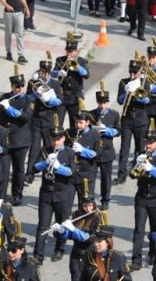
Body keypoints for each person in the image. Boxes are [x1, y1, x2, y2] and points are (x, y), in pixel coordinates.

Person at [31, 119, 77, 265]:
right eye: (53, 139)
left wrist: (58, 167)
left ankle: (59, 249)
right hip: (46, 192)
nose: (56, 142)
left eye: (58, 139)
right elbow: (34, 168)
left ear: (63, 138)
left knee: (61, 224)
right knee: (43, 225)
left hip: (63, 193)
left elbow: (72, 172)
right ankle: (38, 254)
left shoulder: (70, 153)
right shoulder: (45, 150)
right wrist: (45, 162)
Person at [129, 127, 156, 271]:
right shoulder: (141, 154)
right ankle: (136, 259)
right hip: (141, 198)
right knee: (139, 230)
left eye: (151, 142)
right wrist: (137, 163)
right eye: (147, 142)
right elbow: (132, 174)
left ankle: (153, 253)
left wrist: (150, 168)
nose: (147, 145)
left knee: (155, 229)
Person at [49, 181, 107, 277]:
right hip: (76, 252)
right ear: (81, 205)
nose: (88, 209)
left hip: (91, 253)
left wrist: (73, 229)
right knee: (75, 276)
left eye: (90, 205)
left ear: (94, 205)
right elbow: (72, 236)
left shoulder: (98, 217)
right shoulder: (77, 215)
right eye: (85, 206)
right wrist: (62, 231)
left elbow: (89, 238)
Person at [114, 58, 156, 184]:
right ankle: (121, 175)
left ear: (140, 71)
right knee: (124, 148)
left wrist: (139, 95)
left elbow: (148, 101)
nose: (132, 74)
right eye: (130, 71)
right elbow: (120, 101)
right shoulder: (124, 82)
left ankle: (137, 170)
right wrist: (126, 91)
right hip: (127, 119)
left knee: (139, 147)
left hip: (140, 119)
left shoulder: (145, 82)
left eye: (135, 72)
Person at [0, 71, 35, 206]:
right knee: (4, 170)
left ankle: (16, 195)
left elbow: (25, 116)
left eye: (21, 86)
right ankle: (1, 196)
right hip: (5, 139)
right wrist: (1, 106)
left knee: (18, 169)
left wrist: (9, 108)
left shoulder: (28, 100)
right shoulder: (5, 97)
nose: (20, 89)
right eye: (17, 87)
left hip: (20, 140)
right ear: (12, 87)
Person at [24, 59, 64, 187]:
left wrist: (52, 100)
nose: (45, 74)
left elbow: (60, 101)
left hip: (49, 119)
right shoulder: (33, 83)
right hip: (36, 119)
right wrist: (36, 95)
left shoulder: (55, 83)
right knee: (34, 147)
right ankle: (29, 174)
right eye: (43, 71)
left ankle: (49, 171)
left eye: (47, 72)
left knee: (49, 146)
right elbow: (28, 98)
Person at [90, 85, 120, 210]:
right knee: (91, 177)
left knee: (105, 178)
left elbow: (118, 131)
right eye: (100, 103)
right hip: (93, 150)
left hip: (107, 150)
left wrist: (107, 130)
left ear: (107, 102)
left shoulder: (114, 114)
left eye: (105, 103)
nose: (102, 106)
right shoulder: (91, 114)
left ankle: (105, 199)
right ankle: (89, 200)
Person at [55, 33, 90, 128]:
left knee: (74, 124)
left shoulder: (81, 61)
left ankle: (71, 142)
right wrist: (59, 73)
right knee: (57, 123)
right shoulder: (60, 60)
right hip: (62, 95)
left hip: (75, 97)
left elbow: (86, 75)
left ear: (76, 51)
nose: (69, 54)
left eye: (71, 51)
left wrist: (78, 67)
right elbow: (53, 74)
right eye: (67, 51)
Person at [67, 110, 102, 206]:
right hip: (71, 173)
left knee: (85, 204)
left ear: (87, 122)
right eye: (76, 122)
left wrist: (83, 150)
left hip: (86, 173)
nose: (78, 125)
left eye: (81, 122)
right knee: (66, 203)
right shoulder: (69, 133)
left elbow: (98, 155)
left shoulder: (95, 135)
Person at [0, 0, 30, 64]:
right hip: (8, 13)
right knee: (8, 33)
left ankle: (21, 55)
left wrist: (26, 8)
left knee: (20, 34)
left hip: (19, 12)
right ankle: (8, 52)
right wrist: (7, 5)